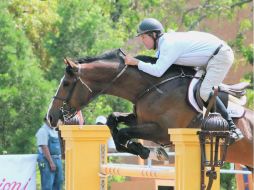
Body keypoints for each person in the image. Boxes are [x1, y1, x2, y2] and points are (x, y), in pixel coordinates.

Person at [124, 18, 243, 142]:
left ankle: (233, 128)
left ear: (154, 34)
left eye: (143, 37)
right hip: (209, 58)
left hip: (220, 56)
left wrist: (136, 62)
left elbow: (158, 71)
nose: (142, 41)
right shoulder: (164, 45)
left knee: (205, 92)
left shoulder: (168, 44)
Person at [36, 117, 63, 190]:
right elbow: (44, 147)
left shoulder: (54, 130)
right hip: (47, 160)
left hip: (57, 159)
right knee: (48, 184)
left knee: (59, 182)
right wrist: (51, 162)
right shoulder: (43, 131)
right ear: (48, 120)